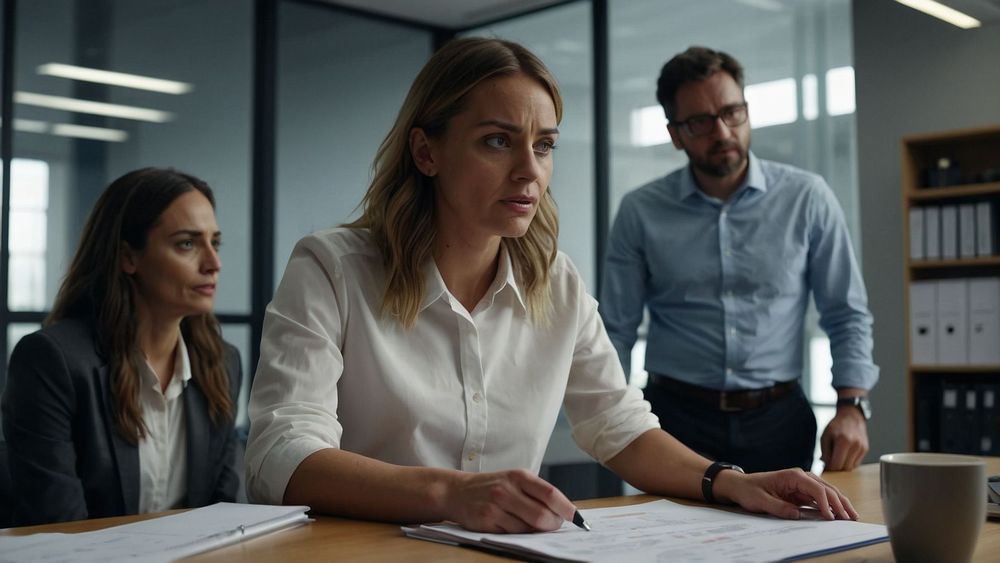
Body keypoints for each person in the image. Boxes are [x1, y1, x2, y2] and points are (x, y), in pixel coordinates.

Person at [245, 37, 858, 533]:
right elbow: (280, 453)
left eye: (544, 146)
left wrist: (730, 482)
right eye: (497, 141)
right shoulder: (331, 267)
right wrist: (451, 493)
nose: (529, 171)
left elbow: (617, 424)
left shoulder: (556, 282)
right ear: (426, 153)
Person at [600, 46, 878, 474]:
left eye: (732, 112)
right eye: (700, 122)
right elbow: (615, 330)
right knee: (671, 539)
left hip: (778, 419)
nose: (723, 131)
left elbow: (845, 312)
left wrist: (851, 406)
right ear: (675, 134)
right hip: (673, 421)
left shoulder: (807, 198)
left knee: (788, 539)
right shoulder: (641, 211)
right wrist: (609, 417)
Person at [2, 167, 242, 526]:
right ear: (128, 257)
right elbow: (59, 525)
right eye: (187, 244)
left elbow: (223, 517)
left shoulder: (222, 362)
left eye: (215, 242)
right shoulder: (52, 360)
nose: (213, 263)